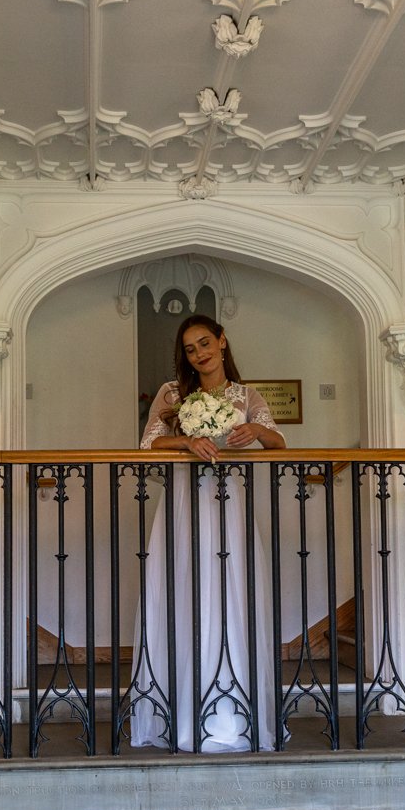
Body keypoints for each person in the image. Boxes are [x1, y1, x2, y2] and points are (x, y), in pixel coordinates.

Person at [130, 315, 285, 753]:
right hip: (184, 500)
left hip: (229, 503)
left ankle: (230, 715)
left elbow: (279, 445)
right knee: (183, 587)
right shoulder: (172, 393)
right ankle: (176, 713)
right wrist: (186, 442)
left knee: (229, 591)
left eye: (205, 343)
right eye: (191, 349)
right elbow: (146, 446)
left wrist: (256, 430)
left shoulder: (246, 395)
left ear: (221, 341)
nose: (199, 353)